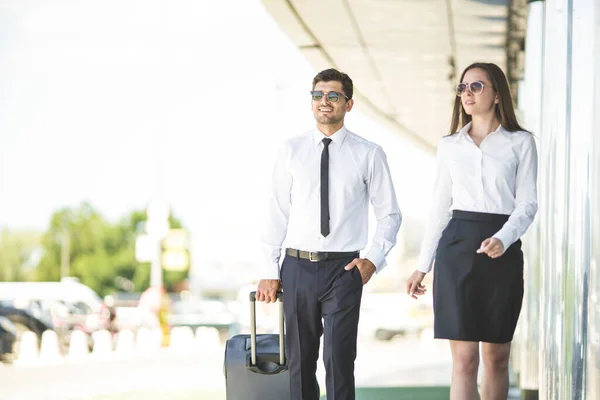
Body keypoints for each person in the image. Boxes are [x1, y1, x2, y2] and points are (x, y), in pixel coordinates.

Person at [256, 68, 401, 400]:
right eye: (318, 95)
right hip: (296, 268)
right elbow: (275, 212)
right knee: (299, 363)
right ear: (311, 102)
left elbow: (390, 214)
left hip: (344, 270)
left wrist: (373, 261)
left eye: (333, 96)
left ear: (348, 104)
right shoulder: (290, 151)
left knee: (339, 361)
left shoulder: (368, 153)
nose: (324, 102)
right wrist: (268, 270)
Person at [406, 62, 538, 400]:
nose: (467, 93)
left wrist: (504, 238)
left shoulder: (521, 142)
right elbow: (439, 208)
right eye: (463, 87)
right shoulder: (450, 145)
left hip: (502, 251)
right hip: (456, 248)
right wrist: (423, 265)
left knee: (496, 358)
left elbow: (527, 204)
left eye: (476, 86)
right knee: (464, 361)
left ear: (496, 95)